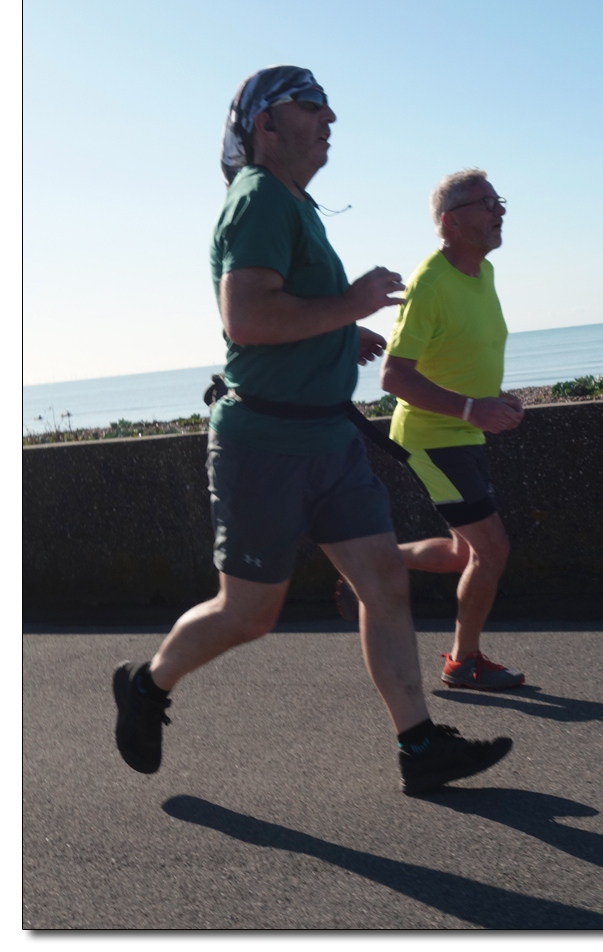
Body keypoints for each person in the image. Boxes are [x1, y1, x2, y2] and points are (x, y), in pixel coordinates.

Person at [112, 67, 512, 796]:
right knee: (249, 614)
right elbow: (249, 319)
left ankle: (419, 748)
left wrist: (342, 329)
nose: (331, 118)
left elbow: (289, 306)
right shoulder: (260, 197)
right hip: (264, 443)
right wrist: (353, 299)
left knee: (383, 579)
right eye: (312, 106)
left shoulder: (294, 202)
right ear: (266, 126)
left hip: (327, 439)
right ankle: (147, 684)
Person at [370, 168, 525, 691]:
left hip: (463, 430)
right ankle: (464, 660)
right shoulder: (430, 283)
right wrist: (470, 410)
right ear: (449, 222)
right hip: (433, 437)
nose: (498, 210)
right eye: (486, 203)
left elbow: (463, 355)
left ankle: (367, 563)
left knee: (465, 553)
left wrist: (495, 400)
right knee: (492, 549)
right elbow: (393, 376)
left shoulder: (483, 274)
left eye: (497, 200)